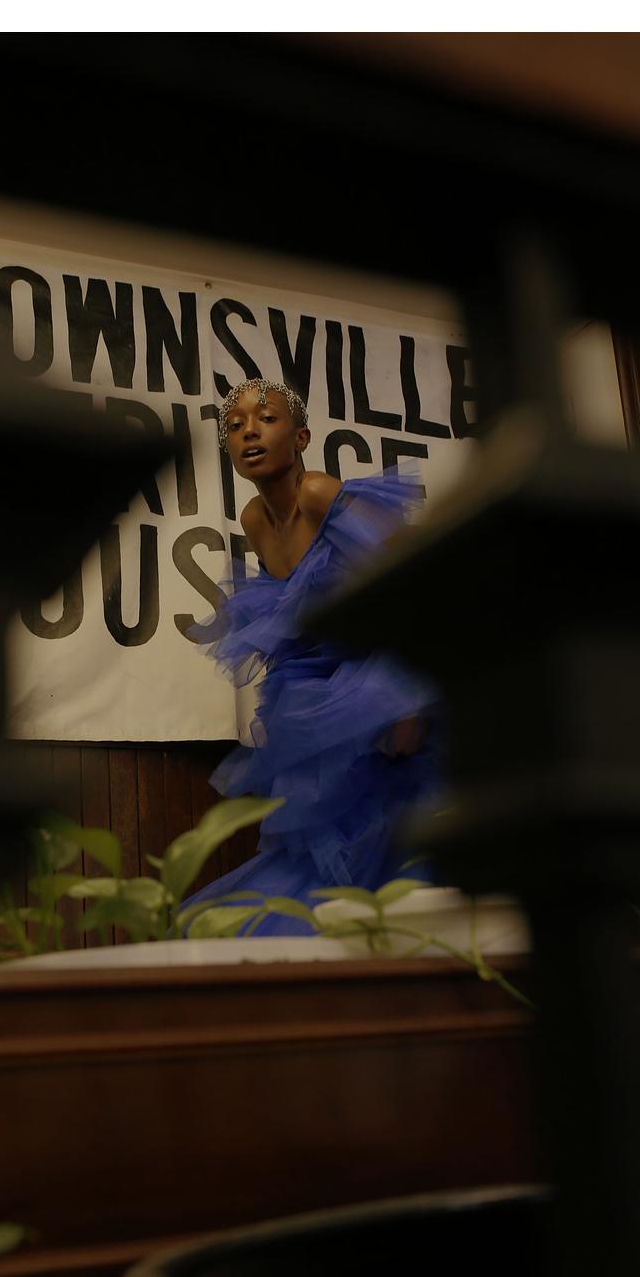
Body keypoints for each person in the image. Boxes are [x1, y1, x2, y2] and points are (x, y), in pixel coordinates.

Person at [184, 378, 442, 935]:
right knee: (330, 855)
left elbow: (416, 583)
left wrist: (410, 698)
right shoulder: (255, 519)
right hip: (319, 693)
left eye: (266, 418)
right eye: (235, 426)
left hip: (382, 682)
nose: (249, 432)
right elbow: (290, 616)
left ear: (300, 437)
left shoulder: (319, 493)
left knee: (395, 841)